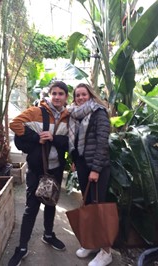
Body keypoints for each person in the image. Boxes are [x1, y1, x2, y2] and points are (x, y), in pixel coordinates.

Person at [8, 81, 69, 266]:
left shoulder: (68, 117)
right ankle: (22, 247)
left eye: (61, 94)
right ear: (50, 95)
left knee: (51, 203)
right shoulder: (36, 112)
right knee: (31, 208)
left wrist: (54, 138)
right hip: (37, 169)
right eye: (54, 93)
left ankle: (48, 235)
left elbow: (69, 141)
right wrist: (36, 137)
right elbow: (14, 123)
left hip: (56, 168)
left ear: (66, 97)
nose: (57, 97)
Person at [68, 83, 112, 266]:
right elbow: (77, 141)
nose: (80, 98)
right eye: (77, 95)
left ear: (90, 95)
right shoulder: (76, 115)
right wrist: (74, 160)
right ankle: (92, 244)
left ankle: (106, 251)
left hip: (98, 167)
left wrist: (95, 169)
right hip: (84, 165)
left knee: (98, 208)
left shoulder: (98, 112)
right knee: (88, 206)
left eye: (83, 94)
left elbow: (102, 142)